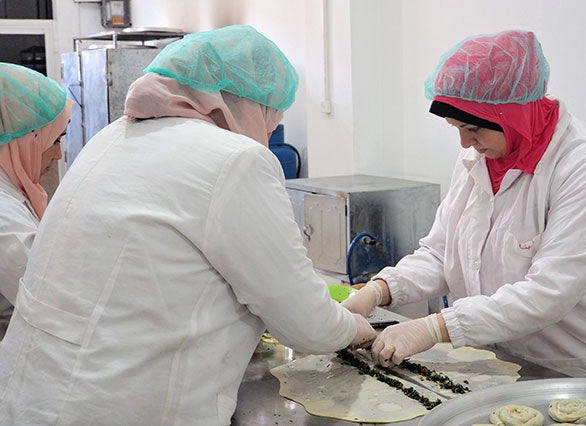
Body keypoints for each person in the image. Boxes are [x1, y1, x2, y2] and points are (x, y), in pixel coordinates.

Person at [0, 25, 376, 424]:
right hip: (121, 404)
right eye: (269, 122)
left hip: (31, 394)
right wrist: (356, 328)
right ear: (247, 107)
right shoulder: (236, 159)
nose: (266, 137)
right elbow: (305, 323)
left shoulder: (110, 139)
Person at [342, 30, 586, 382]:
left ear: (513, 113)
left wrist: (435, 328)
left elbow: (548, 292)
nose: (465, 142)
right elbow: (441, 253)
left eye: (472, 128)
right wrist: (379, 289)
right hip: (517, 362)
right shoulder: (477, 157)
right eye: (457, 128)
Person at [0, 63, 73, 339]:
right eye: (55, 140)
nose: (58, 155)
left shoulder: (10, 190)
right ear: (25, 140)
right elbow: (49, 298)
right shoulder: (4, 216)